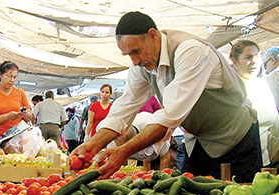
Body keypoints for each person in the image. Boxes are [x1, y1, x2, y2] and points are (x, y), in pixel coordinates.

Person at [72, 11, 261, 182]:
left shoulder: (190, 51)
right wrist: (93, 144)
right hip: (198, 143)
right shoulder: (142, 65)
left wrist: (124, 151)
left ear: (153, 35)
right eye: (128, 54)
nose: (135, 61)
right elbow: (123, 108)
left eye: (136, 51)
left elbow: (168, 116)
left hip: (236, 139)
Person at [230, 40, 279, 167]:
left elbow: (275, 123)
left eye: (257, 56)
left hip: (267, 161)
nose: (254, 61)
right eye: (248, 57)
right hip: (241, 164)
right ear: (235, 61)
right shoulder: (230, 88)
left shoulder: (262, 84)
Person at [0, 61, 34, 144]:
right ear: (0, 75)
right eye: (9, 76)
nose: (12, 80)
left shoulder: (20, 93)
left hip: (16, 141)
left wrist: (26, 114)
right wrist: (7, 116)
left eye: (14, 77)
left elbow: (30, 116)